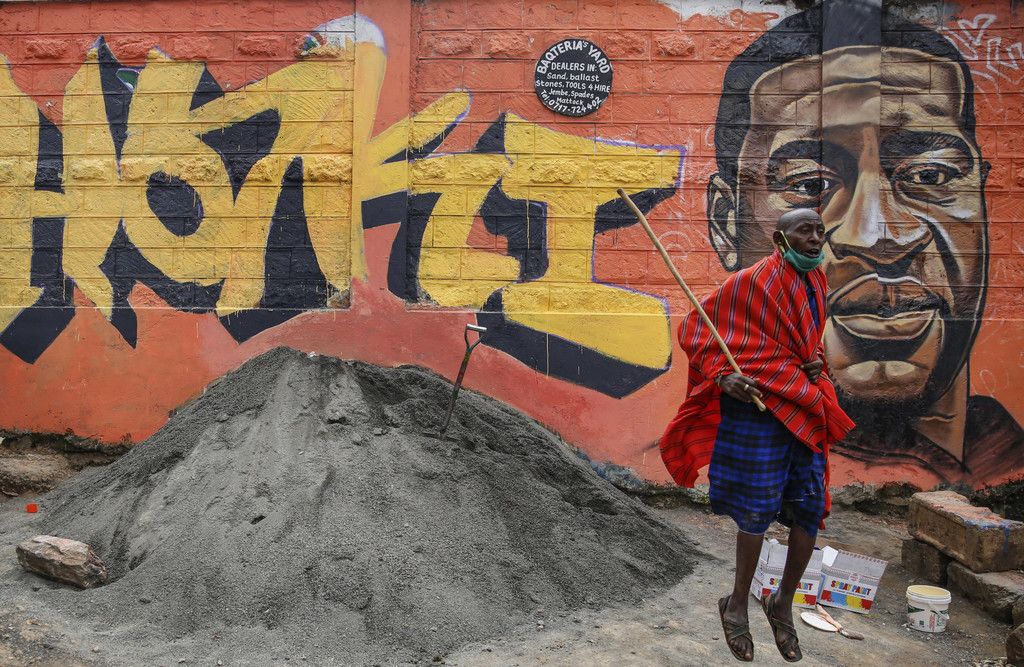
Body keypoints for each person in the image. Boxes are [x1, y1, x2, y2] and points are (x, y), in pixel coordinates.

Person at [704, 0, 1023, 485]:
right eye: (810, 184)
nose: (880, 237)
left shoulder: (1006, 458)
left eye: (931, 175)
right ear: (726, 223)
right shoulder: (730, 457)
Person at [661, 208, 854, 662]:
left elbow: (807, 339)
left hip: (802, 404)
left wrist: (815, 362)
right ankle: (736, 604)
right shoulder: (751, 282)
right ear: (780, 239)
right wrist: (723, 375)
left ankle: (781, 603)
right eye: (804, 231)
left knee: (810, 510)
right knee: (755, 511)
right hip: (757, 409)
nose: (815, 239)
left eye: (820, 231)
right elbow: (695, 328)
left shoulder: (816, 281)